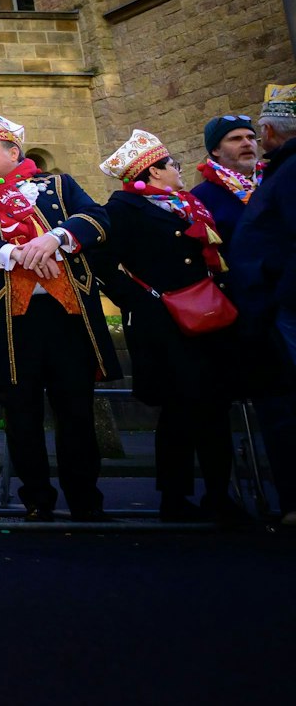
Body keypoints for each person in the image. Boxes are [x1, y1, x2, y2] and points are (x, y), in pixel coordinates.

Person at [0, 107, 119, 522]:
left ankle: (85, 501)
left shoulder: (58, 185)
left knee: (76, 410)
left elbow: (98, 218)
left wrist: (56, 238)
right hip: (10, 321)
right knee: (21, 414)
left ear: (13, 151)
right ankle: (38, 499)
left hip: (67, 316)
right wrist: (14, 252)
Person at [98, 129, 248, 524]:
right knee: (179, 409)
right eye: (172, 165)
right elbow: (103, 264)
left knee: (215, 407)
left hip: (209, 316)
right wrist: (139, 300)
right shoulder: (124, 208)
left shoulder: (187, 204)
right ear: (153, 172)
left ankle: (219, 494)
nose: (179, 170)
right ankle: (175, 498)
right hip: (164, 324)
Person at [230, 84, 296, 524]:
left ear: (269, 131)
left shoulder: (288, 173)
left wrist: (277, 296)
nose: (253, 141)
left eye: (255, 133)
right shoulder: (282, 171)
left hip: (283, 307)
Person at [192, 113, 258, 241]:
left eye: (251, 137)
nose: (247, 143)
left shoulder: (275, 177)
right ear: (215, 150)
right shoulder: (201, 197)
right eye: (236, 139)